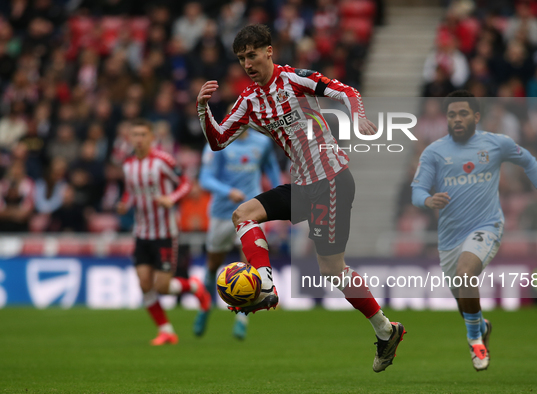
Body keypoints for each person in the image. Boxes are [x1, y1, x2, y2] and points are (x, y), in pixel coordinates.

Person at [196, 24, 405, 372]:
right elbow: (218, 141)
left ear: (268, 51)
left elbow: (346, 92)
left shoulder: (294, 79)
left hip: (333, 180)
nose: (248, 63)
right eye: (241, 58)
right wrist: (203, 110)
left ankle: (385, 330)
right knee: (242, 215)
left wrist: (360, 119)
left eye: (252, 54)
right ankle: (264, 282)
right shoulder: (248, 101)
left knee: (332, 270)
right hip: (304, 185)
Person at [411, 90, 537, 371]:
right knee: (464, 301)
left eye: (463, 113)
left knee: (466, 274)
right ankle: (481, 326)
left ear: (476, 116)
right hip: (449, 239)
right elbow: (417, 190)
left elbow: (529, 160)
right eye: (452, 114)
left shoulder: (495, 144)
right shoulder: (434, 152)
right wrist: (428, 200)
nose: (457, 119)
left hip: (486, 226)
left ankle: (475, 342)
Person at [116, 119, 211, 346]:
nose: (138, 139)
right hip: (141, 232)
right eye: (134, 135)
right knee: (144, 283)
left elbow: (186, 184)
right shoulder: (128, 164)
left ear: (151, 138)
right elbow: (131, 192)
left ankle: (195, 286)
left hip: (165, 232)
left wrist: (171, 199)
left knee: (162, 287)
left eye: (142, 134)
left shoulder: (163, 161)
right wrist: (124, 203)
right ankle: (166, 330)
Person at [193, 129, 281, 339]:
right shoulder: (218, 144)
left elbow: (271, 168)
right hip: (222, 213)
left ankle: (242, 318)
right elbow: (205, 179)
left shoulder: (262, 143)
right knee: (213, 263)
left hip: (251, 212)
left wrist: (278, 196)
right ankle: (205, 307)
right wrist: (228, 192)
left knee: (249, 264)